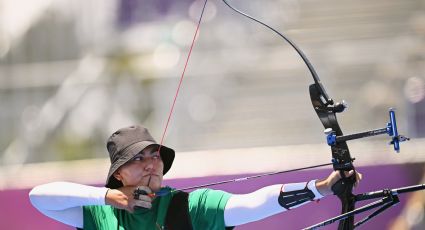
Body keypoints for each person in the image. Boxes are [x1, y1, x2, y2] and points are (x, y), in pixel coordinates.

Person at [29, 125, 362, 230]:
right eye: (137, 159)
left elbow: (252, 203)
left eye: (154, 155)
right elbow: (39, 197)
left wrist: (321, 188)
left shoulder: (190, 206)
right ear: (118, 174)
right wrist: (106, 197)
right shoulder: (99, 215)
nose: (150, 164)